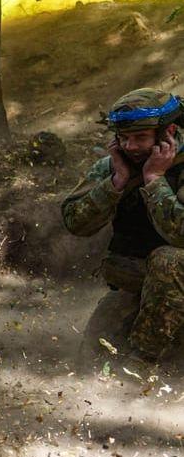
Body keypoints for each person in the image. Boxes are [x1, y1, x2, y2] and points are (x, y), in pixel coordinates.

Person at [62, 88, 184, 362]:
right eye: (123, 138)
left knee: (169, 259)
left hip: (173, 275)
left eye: (140, 138)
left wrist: (154, 179)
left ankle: (141, 363)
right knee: (91, 357)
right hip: (143, 287)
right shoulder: (117, 165)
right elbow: (75, 222)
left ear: (169, 132)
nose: (130, 146)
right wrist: (116, 183)